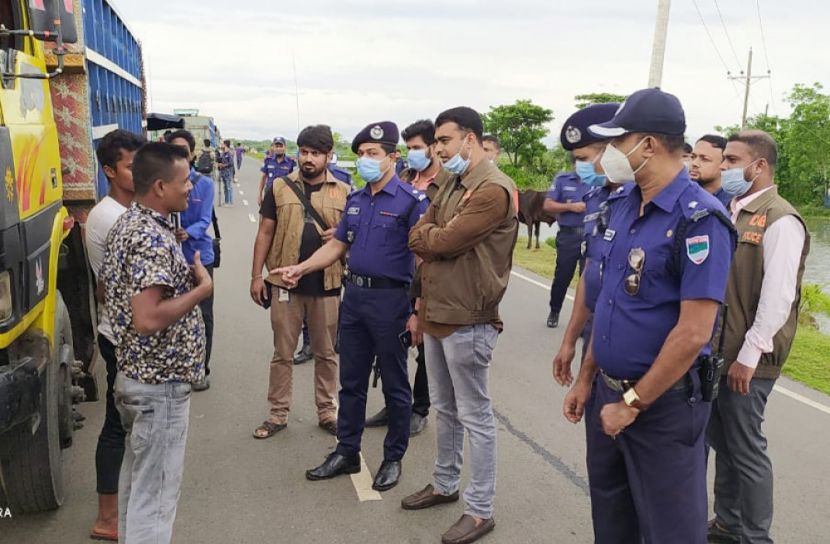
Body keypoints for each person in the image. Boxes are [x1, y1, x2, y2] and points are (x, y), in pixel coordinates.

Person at [562, 88, 736, 544]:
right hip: (608, 396)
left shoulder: (699, 220)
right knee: (612, 520)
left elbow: (693, 332)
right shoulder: (621, 206)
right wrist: (587, 377)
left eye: (618, 143)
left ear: (649, 145)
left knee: (669, 530)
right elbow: (609, 305)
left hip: (662, 408)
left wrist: (633, 402)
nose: (611, 154)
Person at [272, 121, 428, 492]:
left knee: (394, 385)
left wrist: (419, 310)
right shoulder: (356, 200)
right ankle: (347, 451)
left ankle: (393, 458)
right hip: (354, 299)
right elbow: (337, 246)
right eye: (360, 154)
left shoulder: (411, 202)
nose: (365, 160)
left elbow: (424, 260)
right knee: (351, 382)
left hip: (392, 301)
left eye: (372, 154)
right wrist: (301, 267)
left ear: (392, 157)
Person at [402, 107, 518, 544]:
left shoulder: (492, 189)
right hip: (436, 309)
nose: (438, 150)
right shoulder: (451, 181)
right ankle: (445, 483)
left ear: (469, 139)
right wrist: (430, 238)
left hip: (468, 315)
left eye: (445, 141)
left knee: (476, 415)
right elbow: (424, 231)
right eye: (436, 143)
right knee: (445, 408)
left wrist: (429, 238)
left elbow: (444, 240)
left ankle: (480, 509)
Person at [100, 142, 212, 544]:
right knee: (156, 500)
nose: (190, 190)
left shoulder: (130, 224)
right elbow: (146, 319)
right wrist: (202, 289)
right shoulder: (149, 236)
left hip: (138, 379)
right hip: (158, 386)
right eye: (184, 182)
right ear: (161, 187)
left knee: (137, 492)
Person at [707, 130, 810, 544]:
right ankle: (728, 523)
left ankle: (755, 536)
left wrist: (749, 355)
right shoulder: (734, 209)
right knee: (725, 442)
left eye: (732, 161)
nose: (725, 168)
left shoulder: (781, 219)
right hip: (722, 348)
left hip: (751, 356)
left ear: (759, 165)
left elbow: (778, 297)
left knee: (746, 447)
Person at [248, 125, 349, 439]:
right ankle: (277, 414)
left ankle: (327, 412)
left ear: (328, 156)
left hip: (327, 285)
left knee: (326, 354)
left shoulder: (345, 191)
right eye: (304, 151)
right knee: (283, 354)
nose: (308, 158)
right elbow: (264, 232)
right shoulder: (279, 187)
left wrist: (343, 236)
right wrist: (256, 276)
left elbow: (353, 239)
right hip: (284, 286)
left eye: (315, 153)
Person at [364, 119, 448, 436]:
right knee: (392, 346)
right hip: (396, 279)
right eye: (409, 148)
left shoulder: (448, 184)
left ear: (433, 148)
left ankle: (419, 408)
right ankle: (395, 402)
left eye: (417, 148)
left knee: (424, 345)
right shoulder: (403, 178)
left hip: (430, 279)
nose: (413, 154)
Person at [85, 129, 145, 542]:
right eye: (130, 166)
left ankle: (117, 510)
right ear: (109, 170)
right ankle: (108, 517)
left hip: (124, 330)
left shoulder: (128, 210)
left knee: (124, 421)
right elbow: (113, 287)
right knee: (117, 424)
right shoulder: (111, 217)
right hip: (122, 335)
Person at [546, 103, 620, 387]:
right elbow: (590, 275)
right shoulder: (596, 197)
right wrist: (569, 341)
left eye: (585, 157)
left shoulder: (642, 202)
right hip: (596, 331)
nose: (581, 166)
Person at [166, 129, 216, 392]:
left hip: (198, 255)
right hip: (169, 258)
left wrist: (188, 233)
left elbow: (205, 220)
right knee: (172, 312)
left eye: (183, 151)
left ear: (193, 154)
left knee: (203, 314)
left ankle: (201, 367)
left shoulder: (204, 184)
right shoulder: (160, 184)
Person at [542, 131, 593, 328]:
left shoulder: (598, 182)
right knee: (562, 276)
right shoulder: (563, 180)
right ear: (574, 163)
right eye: (579, 161)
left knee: (587, 281)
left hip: (590, 238)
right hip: (568, 236)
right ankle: (554, 311)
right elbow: (547, 205)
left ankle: (583, 322)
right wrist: (570, 207)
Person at [690, 134, 731, 209]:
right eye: (693, 157)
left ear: (724, 164)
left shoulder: (734, 203)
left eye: (705, 159)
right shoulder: (681, 194)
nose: (694, 163)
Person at [258, 136, 296, 206]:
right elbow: (263, 178)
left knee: (283, 216)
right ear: (273, 147)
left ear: (285, 147)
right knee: (265, 215)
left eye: (281, 146)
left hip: (284, 195)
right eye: (277, 146)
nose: (279, 148)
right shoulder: (268, 160)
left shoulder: (291, 162)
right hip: (269, 193)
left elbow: (294, 180)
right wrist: (260, 195)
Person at [218, 139, 235, 207]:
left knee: (229, 187)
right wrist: (219, 164)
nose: (221, 145)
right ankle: (226, 201)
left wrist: (223, 165)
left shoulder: (229, 153)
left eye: (222, 144)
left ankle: (230, 202)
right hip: (223, 173)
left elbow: (231, 163)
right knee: (225, 188)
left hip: (228, 173)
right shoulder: (223, 153)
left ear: (225, 144)